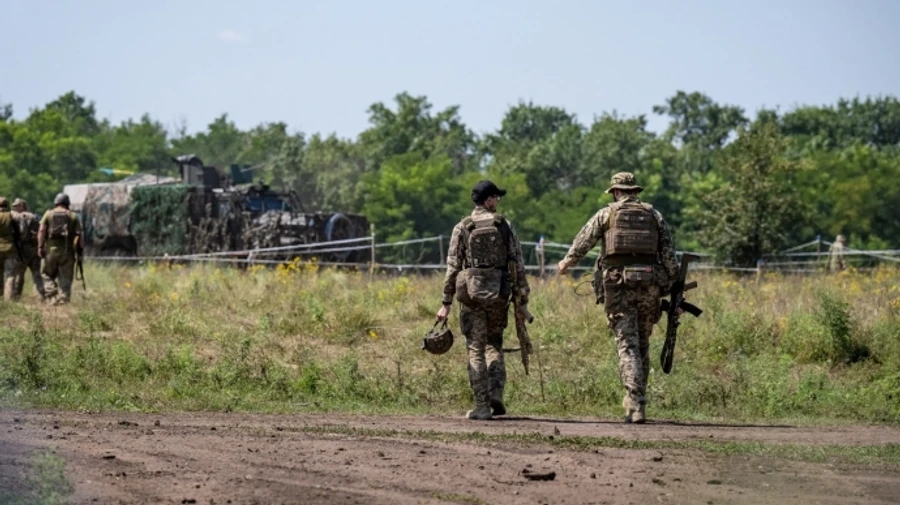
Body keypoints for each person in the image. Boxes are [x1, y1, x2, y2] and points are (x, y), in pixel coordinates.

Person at [557, 172, 679, 424]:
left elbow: (584, 240)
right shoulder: (655, 216)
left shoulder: (607, 214)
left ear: (615, 191)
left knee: (627, 344)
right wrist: (675, 286)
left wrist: (567, 262)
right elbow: (668, 254)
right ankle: (640, 404)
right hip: (650, 285)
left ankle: (634, 403)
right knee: (643, 343)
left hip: (618, 285)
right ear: (635, 191)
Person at [437, 180, 530, 420]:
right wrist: (522, 297)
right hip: (499, 293)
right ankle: (495, 391)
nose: (498, 201)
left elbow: (453, 266)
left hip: (471, 296)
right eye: (496, 198)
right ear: (487, 200)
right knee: (494, 344)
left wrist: (446, 301)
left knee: (475, 349)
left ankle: (481, 406)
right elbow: (517, 263)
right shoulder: (504, 226)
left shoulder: (462, 227)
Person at [38, 193, 82, 305]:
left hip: (50, 252)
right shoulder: (73, 216)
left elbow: (42, 230)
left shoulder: (48, 214)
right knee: (66, 277)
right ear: (68, 203)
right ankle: (63, 300)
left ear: (56, 202)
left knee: (46, 274)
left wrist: (40, 246)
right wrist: (80, 252)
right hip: (67, 252)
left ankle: (52, 297)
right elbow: (79, 235)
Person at [11, 198, 47, 301]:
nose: (15, 208)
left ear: (22, 206)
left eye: (16, 206)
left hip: (22, 250)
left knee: (19, 274)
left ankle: (16, 297)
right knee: (36, 274)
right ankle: (40, 297)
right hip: (35, 249)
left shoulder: (18, 218)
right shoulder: (35, 217)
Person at [0, 197, 24, 301]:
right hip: (10, 248)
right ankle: (8, 299)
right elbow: (21, 231)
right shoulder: (12, 215)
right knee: (10, 275)